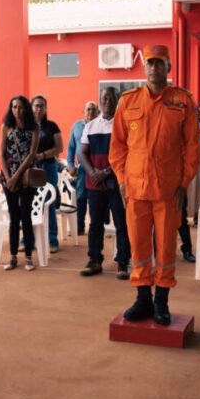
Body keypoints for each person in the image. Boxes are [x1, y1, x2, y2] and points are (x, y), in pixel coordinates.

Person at [109, 45, 200, 325]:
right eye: (150, 63)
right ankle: (142, 299)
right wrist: (124, 180)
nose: (154, 68)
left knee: (165, 248)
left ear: (168, 68)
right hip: (136, 190)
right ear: (144, 67)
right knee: (138, 247)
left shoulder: (182, 101)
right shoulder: (128, 101)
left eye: (159, 63)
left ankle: (161, 301)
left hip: (168, 191)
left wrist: (184, 183)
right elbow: (118, 147)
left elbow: (193, 147)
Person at [79, 88, 130, 279]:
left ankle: (123, 262)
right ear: (100, 101)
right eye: (104, 98)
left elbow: (128, 153)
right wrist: (93, 173)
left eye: (111, 98)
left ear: (117, 101)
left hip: (117, 184)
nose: (107, 101)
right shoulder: (90, 126)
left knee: (122, 223)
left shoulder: (122, 124)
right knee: (95, 224)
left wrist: (107, 172)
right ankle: (94, 260)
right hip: (95, 185)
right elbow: (83, 153)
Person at [0, 95, 41, 272]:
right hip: (8, 177)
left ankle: (29, 258)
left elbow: (32, 154)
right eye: (14, 107)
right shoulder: (6, 126)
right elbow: (1, 154)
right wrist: (9, 177)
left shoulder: (34, 128)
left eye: (21, 107)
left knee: (26, 216)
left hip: (26, 177)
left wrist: (16, 176)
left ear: (27, 109)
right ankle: (13, 256)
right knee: (13, 217)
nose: (17, 111)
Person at [31, 95, 63, 253]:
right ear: (31, 108)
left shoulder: (52, 126)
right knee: (29, 203)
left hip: (48, 168)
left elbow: (59, 148)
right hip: (30, 170)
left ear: (46, 108)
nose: (39, 109)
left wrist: (42, 155)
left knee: (48, 204)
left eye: (42, 106)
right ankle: (28, 240)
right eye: (36, 106)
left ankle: (52, 240)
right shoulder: (26, 126)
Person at [67, 101, 99, 236]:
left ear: (97, 112)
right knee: (81, 197)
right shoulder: (76, 126)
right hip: (81, 169)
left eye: (93, 109)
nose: (90, 112)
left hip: (98, 169)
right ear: (83, 111)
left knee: (96, 198)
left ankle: (97, 227)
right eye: (88, 109)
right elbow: (70, 148)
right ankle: (79, 226)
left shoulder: (101, 125)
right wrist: (70, 165)